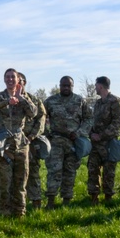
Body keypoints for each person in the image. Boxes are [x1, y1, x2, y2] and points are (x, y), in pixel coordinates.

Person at [0, 68, 37, 216]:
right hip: (3, 143)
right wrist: (8, 101)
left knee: (21, 180)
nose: (10, 79)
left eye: (13, 77)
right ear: (4, 79)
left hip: (20, 143)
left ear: (18, 80)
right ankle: (4, 212)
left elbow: (33, 113)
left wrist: (21, 99)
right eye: (7, 77)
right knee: (5, 181)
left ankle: (19, 211)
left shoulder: (25, 98)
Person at [44, 75, 92, 208]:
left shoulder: (79, 100)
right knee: (54, 171)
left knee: (70, 171)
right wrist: (47, 135)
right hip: (56, 142)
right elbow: (40, 119)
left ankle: (67, 200)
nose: (65, 88)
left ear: (72, 86)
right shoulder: (50, 101)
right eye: (63, 85)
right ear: (59, 86)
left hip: (73, 143)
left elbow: (89, 119)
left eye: (68, 85)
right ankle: (51, 201)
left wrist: (79, 133)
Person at [86, 76, 120, 204]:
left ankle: (108, 197)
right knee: (92, 169)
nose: (95, 88)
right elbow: (93, 121)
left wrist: (102, 135)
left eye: (96, 85)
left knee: (109, 171)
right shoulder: (98, 103)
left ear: (101, 86)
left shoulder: (115, 101)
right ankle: (94, 196)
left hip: (109, 143)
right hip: (95, 144)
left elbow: (118, 121)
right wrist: (91, 133)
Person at [19, 73, 48, 209]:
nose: (17, 83)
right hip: (12, 144)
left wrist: (31, 137)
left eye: (20, 81)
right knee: (15, 175)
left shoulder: (34, 100)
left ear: (24, 82)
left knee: (33, 173)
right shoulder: (6, 99)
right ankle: (17, 203)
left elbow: (41, 121)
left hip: (30, 142)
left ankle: (36, 202)